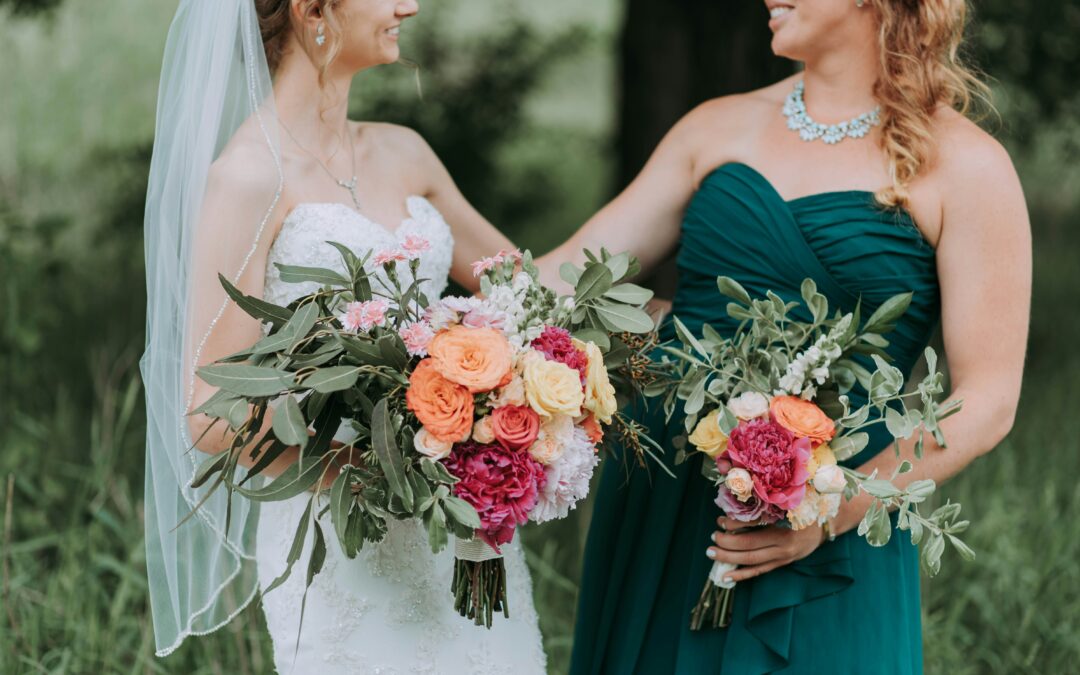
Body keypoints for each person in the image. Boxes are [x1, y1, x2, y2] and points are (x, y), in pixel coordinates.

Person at [536, 0, 1030, 672]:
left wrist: (829, 509)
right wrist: (417, 293)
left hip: (829, 523)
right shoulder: (713, 128)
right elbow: (566, 279)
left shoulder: (968, 166)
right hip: (666, 502)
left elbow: (989, 399)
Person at [141, 1, 547, 671]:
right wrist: (387, 463)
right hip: (346, 550)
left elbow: (528, 296)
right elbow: (212, 417)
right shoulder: (248, 178)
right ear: (311, 10)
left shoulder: (405, 151)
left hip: (469, 531)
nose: (407, 5)